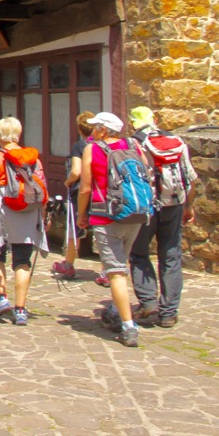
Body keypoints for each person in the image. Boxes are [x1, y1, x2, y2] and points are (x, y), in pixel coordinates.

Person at [77, 111, 148, 347]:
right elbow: (146, 174)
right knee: (121, 262)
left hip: (106, 215)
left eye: (97, 127)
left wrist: (81, 214)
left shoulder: (93, 149)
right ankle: (117, 310)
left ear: (104, 130)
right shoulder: (134, 145)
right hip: (135, 213)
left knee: (115, 271)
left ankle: (128, 326)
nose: (94, 131)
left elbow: (86, 187)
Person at [0, 116, 48, 327]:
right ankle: (21, 309)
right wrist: (43, 215)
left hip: (1, 206)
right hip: (27, 209)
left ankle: (1, 297)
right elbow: (42, 188)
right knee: (22, 260)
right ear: (19, 134)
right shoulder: (33, 158)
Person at [128, 106, 198, 329]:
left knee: (139, 253)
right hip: (174, 203)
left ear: (132, 124)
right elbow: (191, 178)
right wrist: (189, 206)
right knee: (171, 255)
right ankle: (168, 313)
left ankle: (148, 301)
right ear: (155, 119)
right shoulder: (176, 140)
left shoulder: (132, 143)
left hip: (147, 206)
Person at [52, 111, 96, 282]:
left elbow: (76, 171)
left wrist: (68, 182)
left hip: (81, 191)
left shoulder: (81, 146)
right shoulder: (102, 145)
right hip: (101, 192)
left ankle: (68, 265)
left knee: (75, 229)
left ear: (80, 129)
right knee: (102, 230)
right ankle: (108, 271)